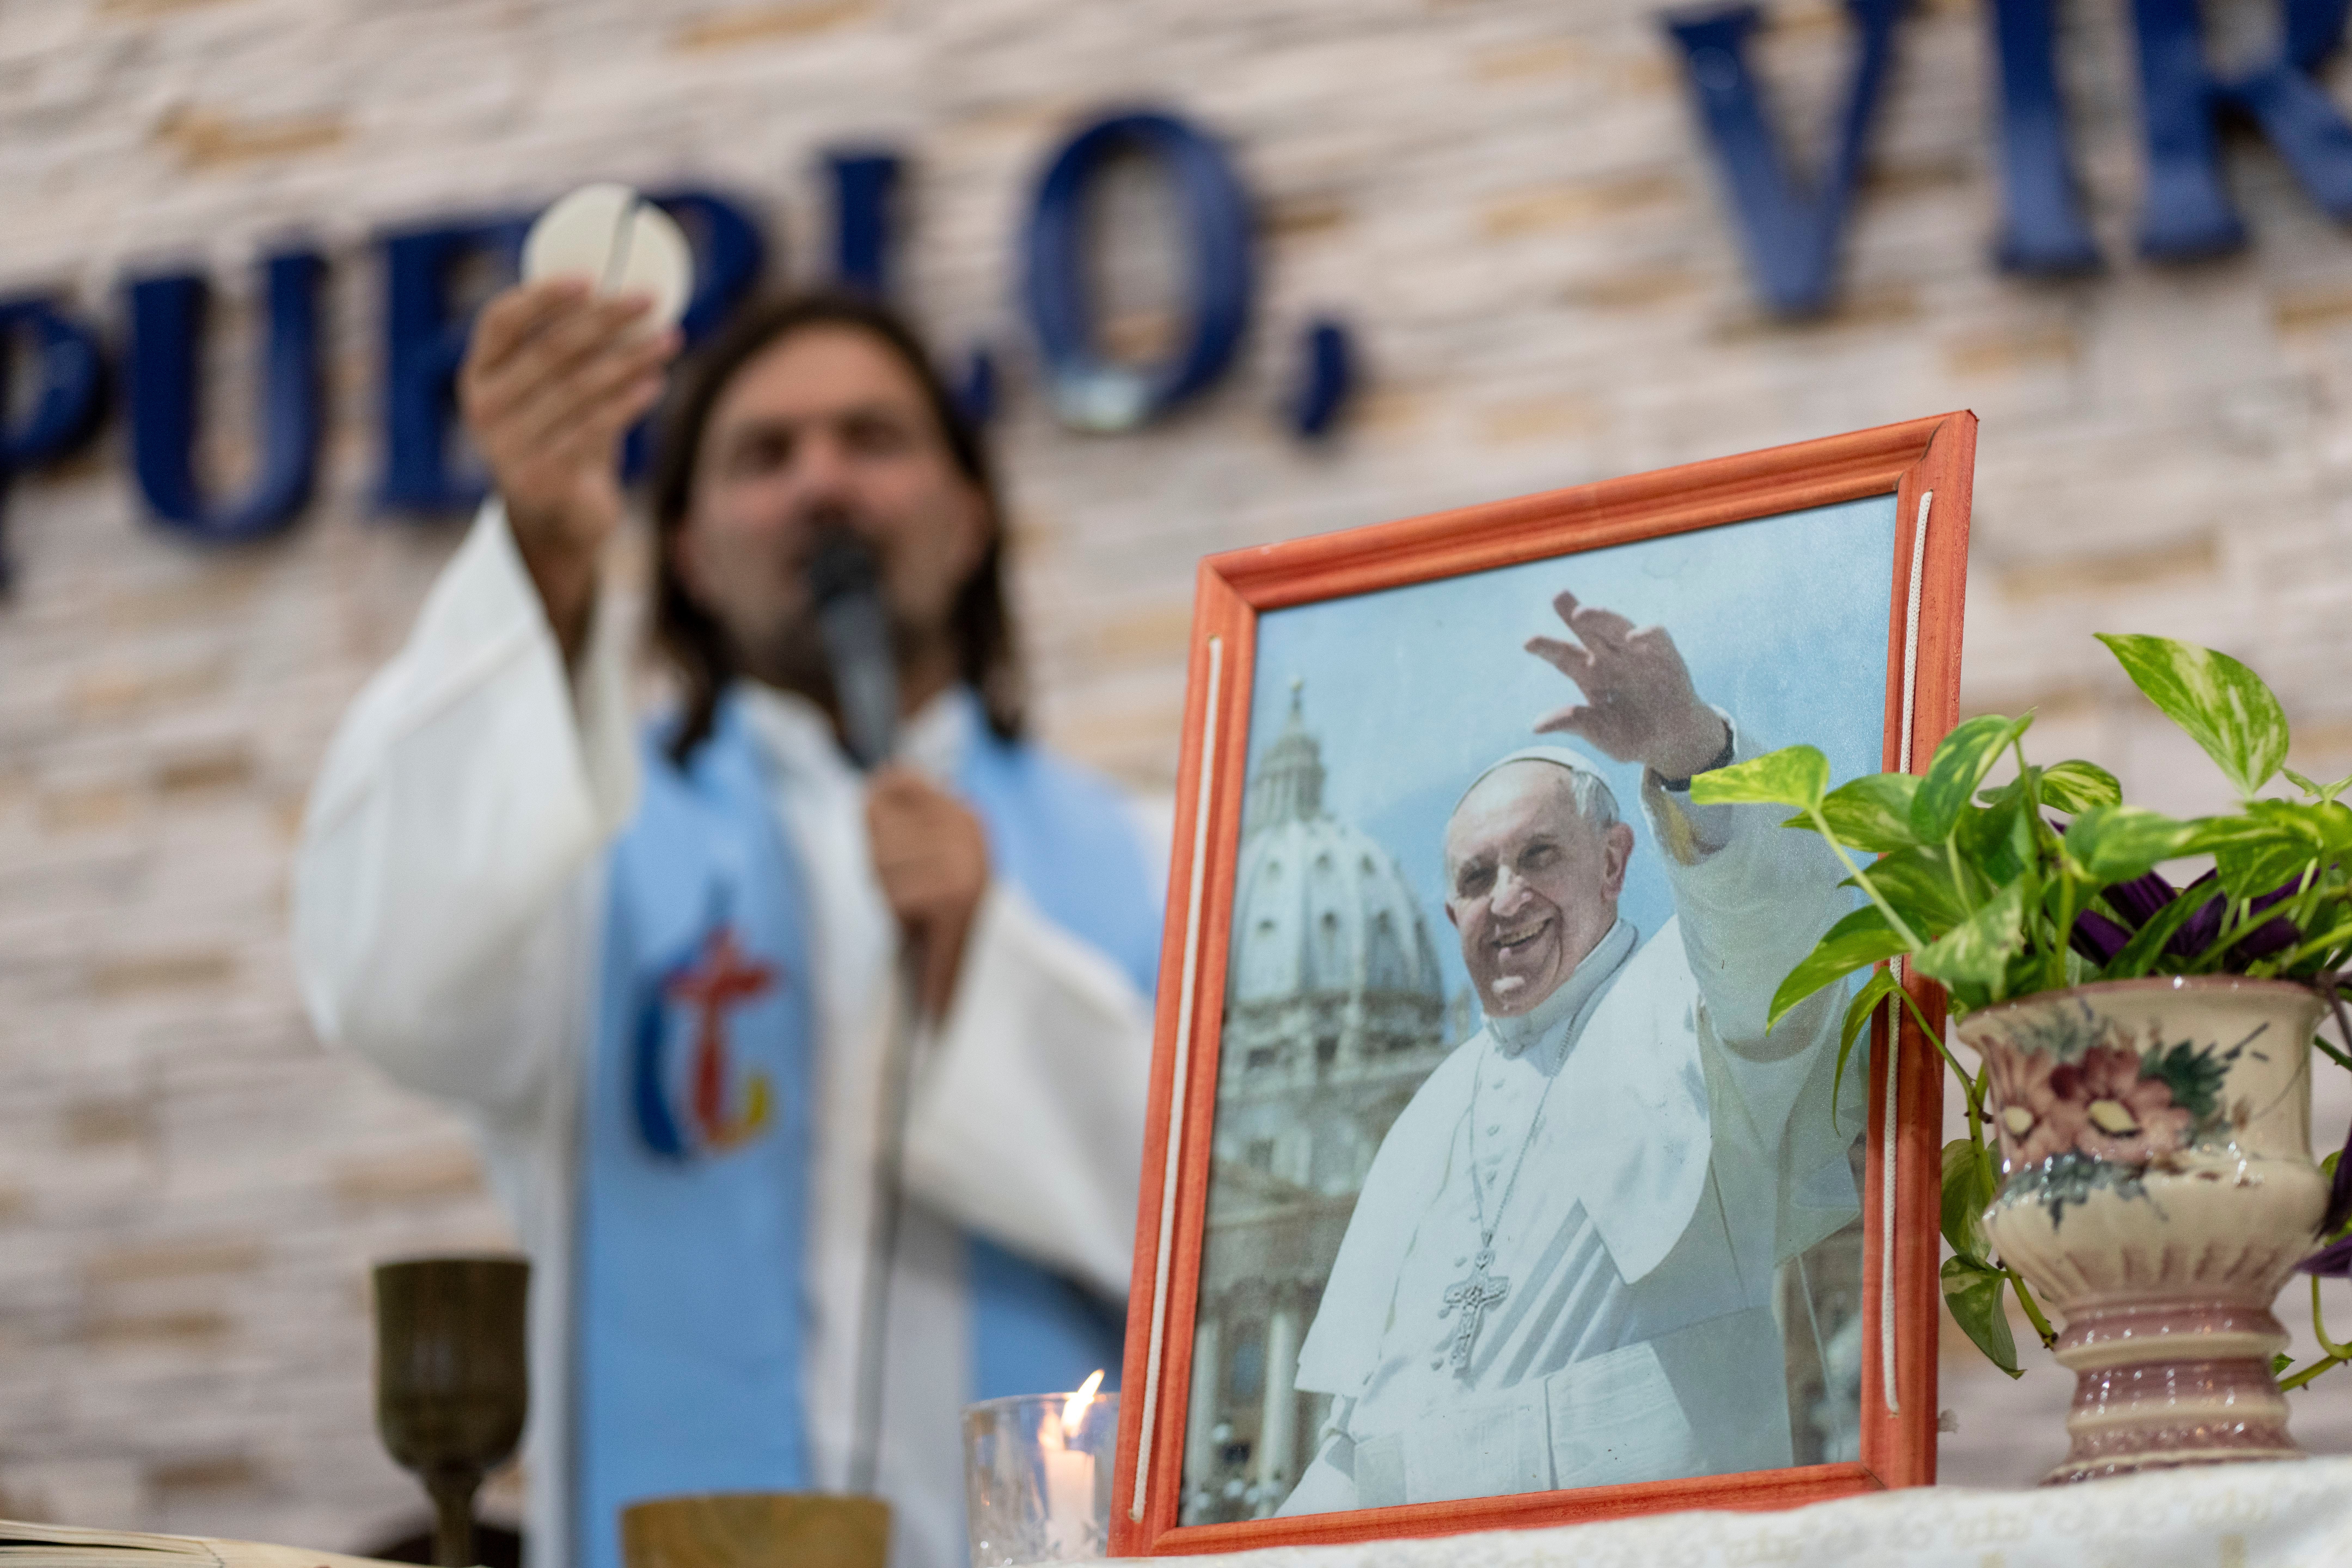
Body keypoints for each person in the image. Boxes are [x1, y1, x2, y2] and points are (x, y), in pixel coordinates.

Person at [292, 283, 1163, 1568]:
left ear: (971, 519)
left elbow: (1231, 1262)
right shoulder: (582, 849)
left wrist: (989, 963)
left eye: (874, 439)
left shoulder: (1148, 858)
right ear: (690, 551)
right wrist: (538, 565)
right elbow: (393, 985)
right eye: (764, 455)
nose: (823, 483)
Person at [1276, 592, 1862, 1514]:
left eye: (1539, 857)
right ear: (1450, 917)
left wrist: (1689, 750)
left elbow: (1773, 937)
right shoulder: (1428, 1117)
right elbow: (1372, 1434)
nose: (1506, 901)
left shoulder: (1699, 1004)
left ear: (1615, 864)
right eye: (1477, 879)